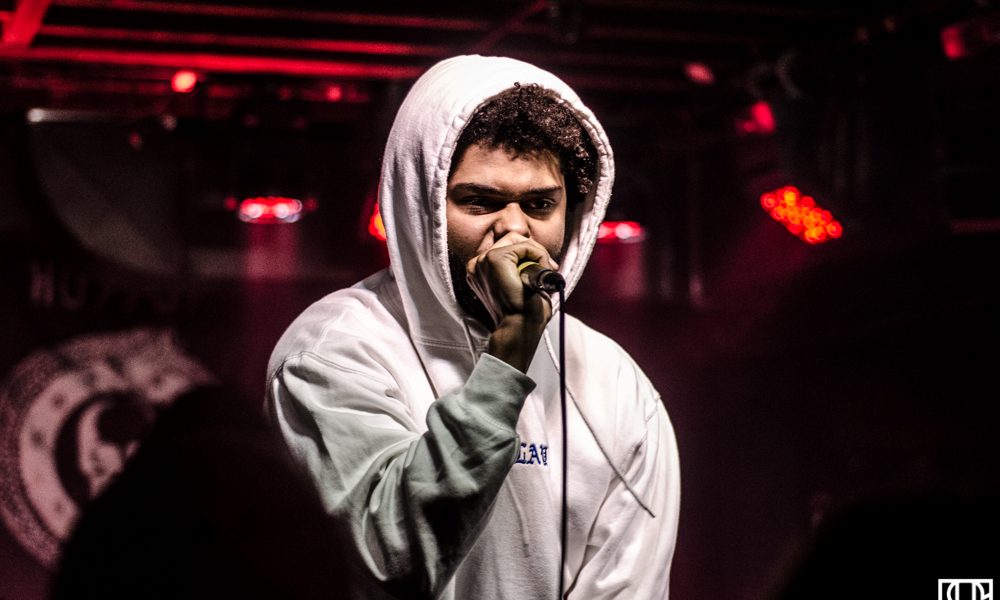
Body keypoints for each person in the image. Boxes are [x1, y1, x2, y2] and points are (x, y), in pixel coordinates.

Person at [267, 55, 680, 599]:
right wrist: (509, 354)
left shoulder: (616, 383)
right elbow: (391, 561)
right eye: (481, 202)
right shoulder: (332, 353)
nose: (514, 229)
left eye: (540, 204)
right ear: (422, 205)